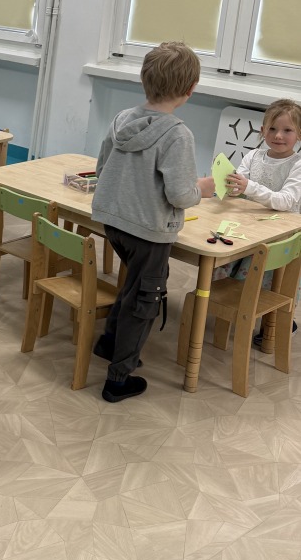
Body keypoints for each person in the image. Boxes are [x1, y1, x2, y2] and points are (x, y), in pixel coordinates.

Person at [91, 42, 216, 402]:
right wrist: (203, 189)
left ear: (144, 80)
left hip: (113, 222)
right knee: (144, 301)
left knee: (134, 285)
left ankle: (109, 343)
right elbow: (180, 195)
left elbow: (101, 169)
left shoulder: (121, 119)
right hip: (148, 232)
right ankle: (118, 379)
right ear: (190, 89)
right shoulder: (178, 134)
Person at [218, 98, 301, 346]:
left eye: (287, 130)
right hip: (251, 227)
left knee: (272, 281)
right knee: (229, 262)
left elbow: (286, 200)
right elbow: (239, 185)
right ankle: (234, 306)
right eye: (272, 129)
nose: (278, 136)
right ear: (262, 130)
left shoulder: (297, 164)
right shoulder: (253, 155)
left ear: (299, 134)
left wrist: (248, 187)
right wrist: (231, 186)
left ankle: (276, 321)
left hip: (281, 234)